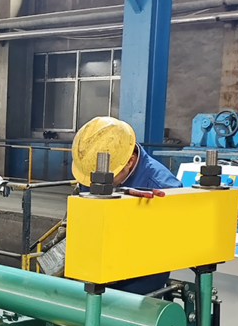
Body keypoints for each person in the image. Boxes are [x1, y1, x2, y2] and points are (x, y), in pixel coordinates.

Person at [70, 116, 182, 294]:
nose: (93, 183)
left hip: (140, 275)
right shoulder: (94, 170)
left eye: (104, 177)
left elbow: (171, 240)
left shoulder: (161, 186)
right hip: (93, 261)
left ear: (129, 162)